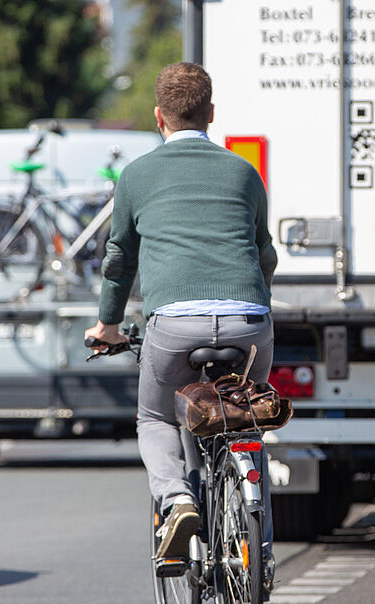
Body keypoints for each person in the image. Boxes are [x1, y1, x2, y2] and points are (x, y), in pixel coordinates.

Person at [84, 62, 278, 564]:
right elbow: (264, 254)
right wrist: (257, 306)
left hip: (173, 325)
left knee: (153, 416)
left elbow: (118, 260)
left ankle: (178, 500)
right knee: (244, 416)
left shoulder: (137, 175)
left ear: (158, 117)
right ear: (211, 113)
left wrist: (107, 324)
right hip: (249, 324)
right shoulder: (242, 171)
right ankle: (254, 525)